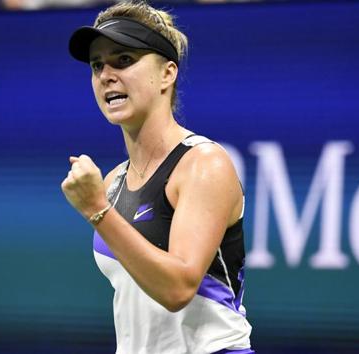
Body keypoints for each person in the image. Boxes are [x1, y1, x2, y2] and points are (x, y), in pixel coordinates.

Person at [62, 2, 254, 353]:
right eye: (96, 65)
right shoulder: (114, 181)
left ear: (168, 74)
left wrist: (97, 210)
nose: (106, 75)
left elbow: (177, 289)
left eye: (124, 60)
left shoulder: (203, 164)